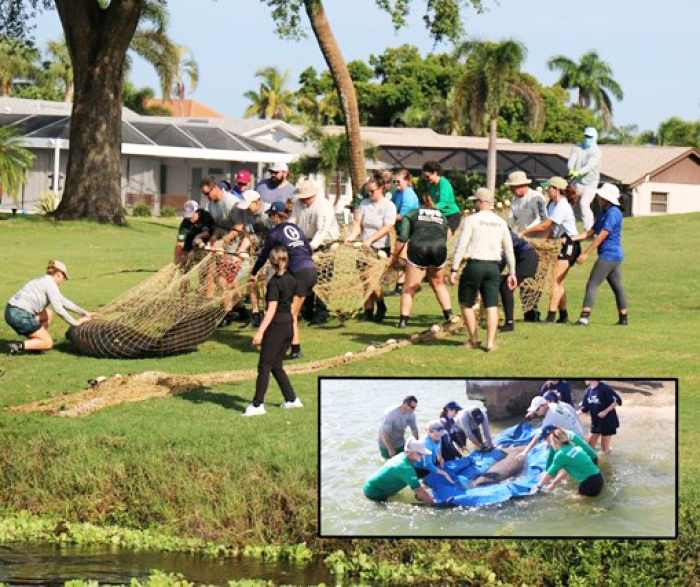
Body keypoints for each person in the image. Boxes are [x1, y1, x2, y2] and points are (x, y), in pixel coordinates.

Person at [450, 187, 517, 352]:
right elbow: (509, 249)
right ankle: (490, 343)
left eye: (475, 201)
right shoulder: (501, 222)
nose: (474, 204)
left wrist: (454, 268)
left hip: (475, 265)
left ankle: (473, 339)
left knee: (465, 302)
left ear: (481, 202)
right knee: (491, 304)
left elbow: (462, 244)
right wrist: (512, 272)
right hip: (494, 267)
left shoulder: (471, 220)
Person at [249, 201, 317, 360]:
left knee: (290, 313)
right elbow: (307, 248)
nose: (270, 219)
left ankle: (293, 348)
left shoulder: (275, 233)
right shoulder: (297, 228)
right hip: (310, 269)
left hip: (299, 273)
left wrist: (254, 272)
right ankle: (290, 346)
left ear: (275, 216)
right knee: (288, 311)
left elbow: (265, 254)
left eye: (271, 216)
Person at [243, 247, 303, 416]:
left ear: (271, 262)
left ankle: (257, 405)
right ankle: (291, 399)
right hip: (288, 324)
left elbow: (271, 310)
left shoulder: (274, 283)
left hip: (276, 325)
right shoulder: (293, 279)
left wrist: (260, 333)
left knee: (264, 365)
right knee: (276, 365)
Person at [520, 176, 580, 324]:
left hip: (569, 245)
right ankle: (564, 315)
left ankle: (551, 316)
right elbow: (550, 229)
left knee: (555, 281)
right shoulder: (553, 204)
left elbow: (546, 225)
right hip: (558, 243)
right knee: (559, 282)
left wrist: (524, 232)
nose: (547, 190)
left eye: (549, 188)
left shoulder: (562, 206)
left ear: (557, 189)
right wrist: (541, 242)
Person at [5, 260, 95, 355]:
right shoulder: (50, 285)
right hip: (20, 315)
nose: (63, 281)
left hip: (11, 310)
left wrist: (84, 312)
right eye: (64, 277)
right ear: (59, 274)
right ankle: (17, 346)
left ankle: (35, 344)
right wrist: (75, 323)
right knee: (48, 343)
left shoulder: (43, 280)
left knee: (48, 313)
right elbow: (59, 309)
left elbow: (63, 301)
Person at [392, 192, 453, 329]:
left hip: (418, 248)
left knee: (409, 287)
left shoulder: (413, 213)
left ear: (420, 204)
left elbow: (403, 237)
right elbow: (448, 233)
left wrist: (394, 258)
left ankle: (403, 321)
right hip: (439, 249)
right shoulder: (441, 216)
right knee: (438, 283)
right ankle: (449, 315)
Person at [571, 183, 628, 326]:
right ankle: (623, 318)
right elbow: (591, 231)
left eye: (601, 197)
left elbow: (602, 234)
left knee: (592, 284)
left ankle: (584, 317)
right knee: (617, 287)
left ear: (607, 199)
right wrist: (573, 238)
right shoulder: (604, 213)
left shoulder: (613, 212)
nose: (598, 199)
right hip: (614, 256)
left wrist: (585, 253)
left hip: (609, 255)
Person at [344, 174, 397, 323]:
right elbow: (358, 223)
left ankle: (380, 305)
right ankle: (368, 311)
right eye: (369, 191)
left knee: (372, 280)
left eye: (373, 191)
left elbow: (387, 227)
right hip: (364, 247)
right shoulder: (364, 204)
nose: (370, 194)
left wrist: (371, 240)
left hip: (379, 248)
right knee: (364, 280)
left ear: (381, 188)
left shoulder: (388, 206)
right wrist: (352, 236)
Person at [288, 178, 339, 325]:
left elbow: (322, 231)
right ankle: (307, 310)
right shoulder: (299, 204)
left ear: (313, 195)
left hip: (325, 243)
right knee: (305, 278)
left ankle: (321, 313)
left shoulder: (323, 206)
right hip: (305, 242)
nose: (303, 200)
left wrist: (310, 247)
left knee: (323, 279)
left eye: (306, 198)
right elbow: (293, 221)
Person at [533, 427, 604, 497]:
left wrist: (538, 487)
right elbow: (566, 471)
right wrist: (553, 484)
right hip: (599, 478)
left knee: (569, 498)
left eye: (551, 442)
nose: (550, 444)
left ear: (556, 442)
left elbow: (550, 473)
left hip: (588, 484)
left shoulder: (560, 455)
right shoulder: (574, 447)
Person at [363, 438, 435, 505]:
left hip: (378, 485)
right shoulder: (405, 468)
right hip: (374, 492)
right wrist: (434, 505)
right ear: (411, 453)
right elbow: (420, 492)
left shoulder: (403, 456)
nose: (422, 456)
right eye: (420, 453)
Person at [517, 395, 585, 462]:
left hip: (574, 439)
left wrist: (525, 452)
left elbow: (538, 436)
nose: (536, 412)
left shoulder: (551, 416)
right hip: (578, 431)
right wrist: (532, 412)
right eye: (535, 410)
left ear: (544, 405)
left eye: (537, 409)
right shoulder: (553, 405)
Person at [498, 230, 539, 332]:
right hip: (525, 258)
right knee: (501, 284)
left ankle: (509, 323)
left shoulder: (502, 232)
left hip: (527, 259)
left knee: (506, 287)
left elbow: (504, 255)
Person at [389, 168, 419, 296]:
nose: (396, 184)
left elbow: (402, 215)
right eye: (395, 182)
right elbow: (391, 207)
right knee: (403, 260)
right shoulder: (398, 193)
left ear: (407, 181)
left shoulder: (408, 194)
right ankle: (399, 286)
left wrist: (388, 218)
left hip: (408, 230)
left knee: (402, 258)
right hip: (400, 228)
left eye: (399, 181)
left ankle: (403, 286)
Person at [568, 127, 602, 231]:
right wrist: (570, 170)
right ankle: (568, 229)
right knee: (569, 204)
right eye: (586, 136)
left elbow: (589, 166)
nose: (587, 138)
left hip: (590, 183)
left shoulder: (596, 152)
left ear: (595, 137)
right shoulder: (577, 148)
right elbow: (571, 160)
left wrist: (578, 172)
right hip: (577, 182)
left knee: (584, 203)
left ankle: (589, 230)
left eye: (590, 137)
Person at [578, 380, 622, 453]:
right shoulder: (588, 390)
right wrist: (575, 414)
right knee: (589, 446)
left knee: (604, 448)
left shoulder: (604, 388)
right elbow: (585, 408)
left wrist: (605, 411)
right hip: (595, 422)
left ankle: (608, 455)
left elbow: (617, 401)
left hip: (608, 421)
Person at [421, 161, 461, 234]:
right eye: (425, 177)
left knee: (445, 238)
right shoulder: (431, 185)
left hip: (452, 215)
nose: (426, 179)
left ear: (435, 173)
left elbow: (443, 202)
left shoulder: (444, 183)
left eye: (428, 176)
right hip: (440, 215)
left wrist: (433, 207)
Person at [505, 170, 548, 235]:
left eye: (513, 187)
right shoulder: (514, 201)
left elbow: (542, 219)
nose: (511, 189)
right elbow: (511, 219)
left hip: (537, 238)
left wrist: (526, 230)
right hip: (523, 237)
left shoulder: (536, 197)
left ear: (522, 185)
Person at [174, 200, 215, 264]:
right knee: (184, 261)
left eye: (191, 216)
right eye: (187, 216)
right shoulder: (185, 223)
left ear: (197, 211)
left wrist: (198, 237)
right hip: (190, 242)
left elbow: (210, 232)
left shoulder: (207, 217)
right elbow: (180, 243)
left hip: (207, 242)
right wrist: (176, 261)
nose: (189, 219)